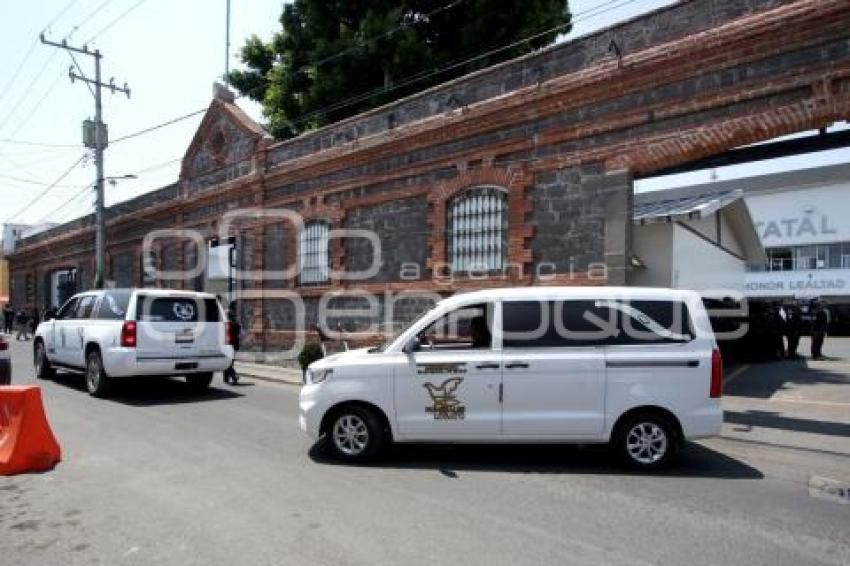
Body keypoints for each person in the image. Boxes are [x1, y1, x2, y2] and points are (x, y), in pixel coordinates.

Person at [223, 302, 241, 385]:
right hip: (232, 344)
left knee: (228, 361)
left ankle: (228, 378)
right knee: (230, 361)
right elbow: (239, 334)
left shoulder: (226, 325)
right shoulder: (235, 324)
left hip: (228, 344)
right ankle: (233, 376)